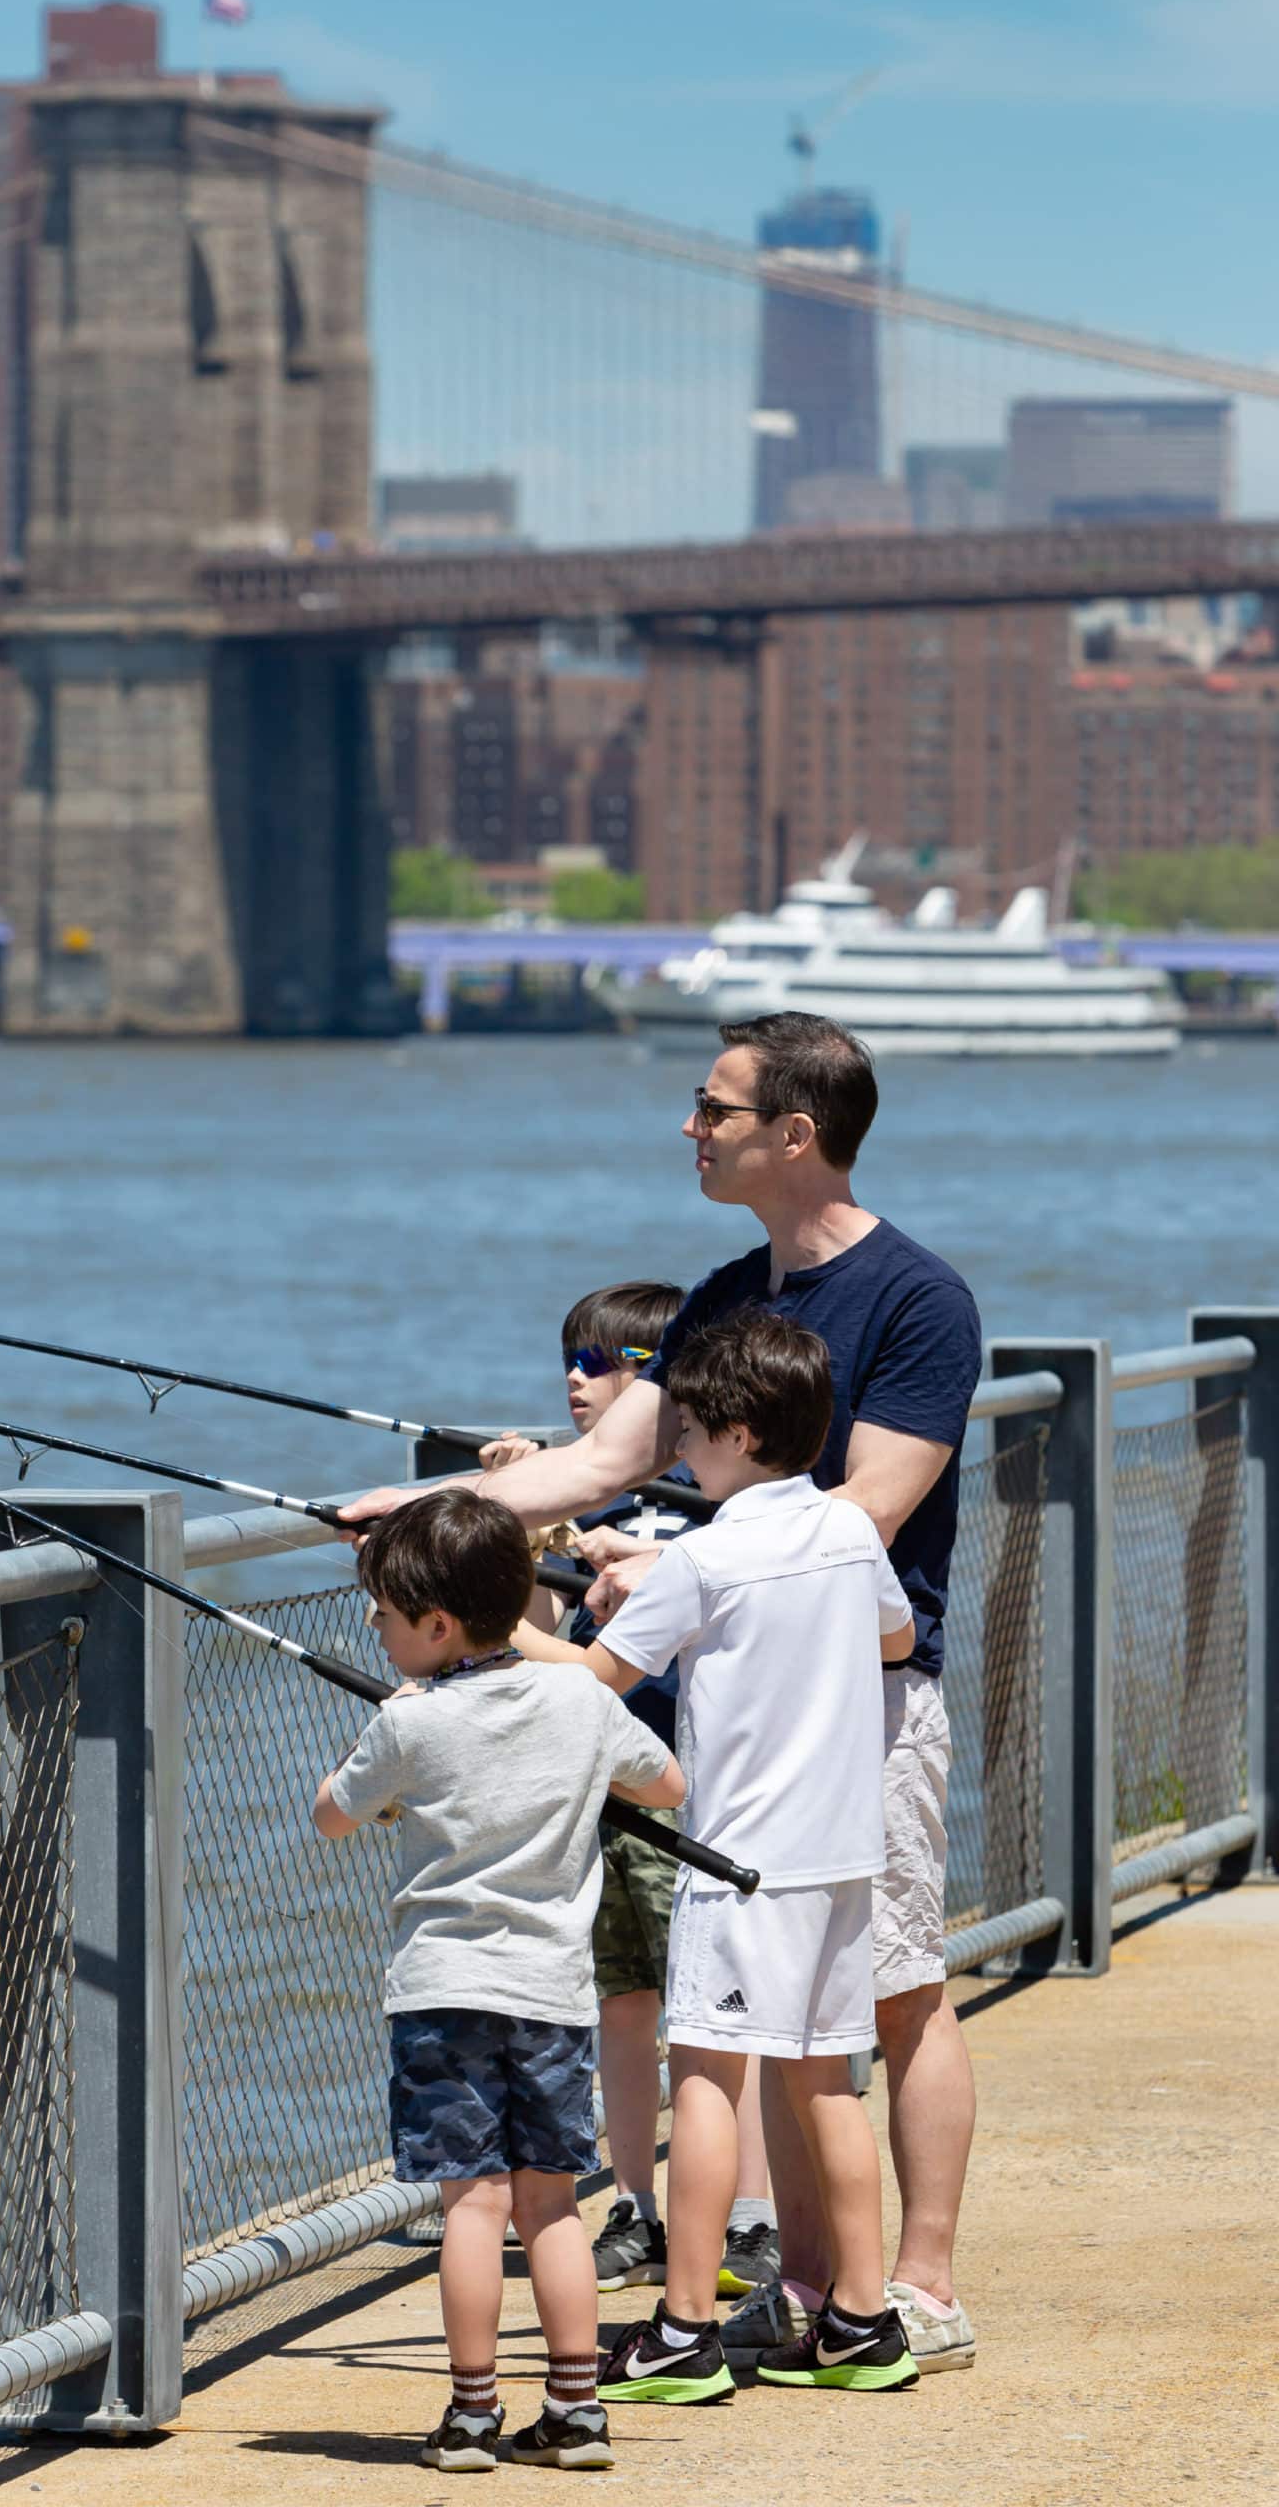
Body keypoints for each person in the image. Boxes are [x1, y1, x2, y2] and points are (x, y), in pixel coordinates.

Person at [340, 1012, 983, 2372]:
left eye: (713, 1109)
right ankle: (812, 2290)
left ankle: (919, 2284)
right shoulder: (721, 1296)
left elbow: (865, 1515)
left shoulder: (921, 1301)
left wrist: (681, 1557)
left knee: (897, 1991)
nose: (687, 1129)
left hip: (869, 1703)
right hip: (735, 1713)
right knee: (802, 2035)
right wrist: (437, 1508)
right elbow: (594, 1469)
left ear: (793, 1135)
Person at [572, 1310, 921, 2400]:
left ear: (729, 1429)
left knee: (708, 2077)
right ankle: (863, 2319)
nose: (674, 1447)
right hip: (838, 1855)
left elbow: (590, 1686)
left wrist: (503, 1631)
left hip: (737, 1864)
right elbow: (897, 1638)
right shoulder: (847, 1533)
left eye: (683, 1429)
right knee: (829, 2083)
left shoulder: (706, 1558)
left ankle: (682, 2328)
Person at [312, 1491, 683, 2472]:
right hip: (554, 1998)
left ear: (436, 1626)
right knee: (551, 2202)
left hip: (442, 1995)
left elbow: (331, 1816)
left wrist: (393, 1742)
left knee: (469, 2205)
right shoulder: (583, 1700)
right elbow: (668, 1784)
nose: (373, 1627)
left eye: (384, 1615)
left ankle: (472, 2413)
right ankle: (576, 2409)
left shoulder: (410, 1723)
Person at [485, 1280, 780, 2300]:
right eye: (571, 1357)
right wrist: (518, 1521)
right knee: (623, 2004)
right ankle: (636, 2207)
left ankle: (751, 2219)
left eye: (604, 1361)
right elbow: (532, 1637)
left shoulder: (722, 1506)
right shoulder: (582, 1507)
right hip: (602, 1792)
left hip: (695, 1787)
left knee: (718, 2012)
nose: (578, 1377)